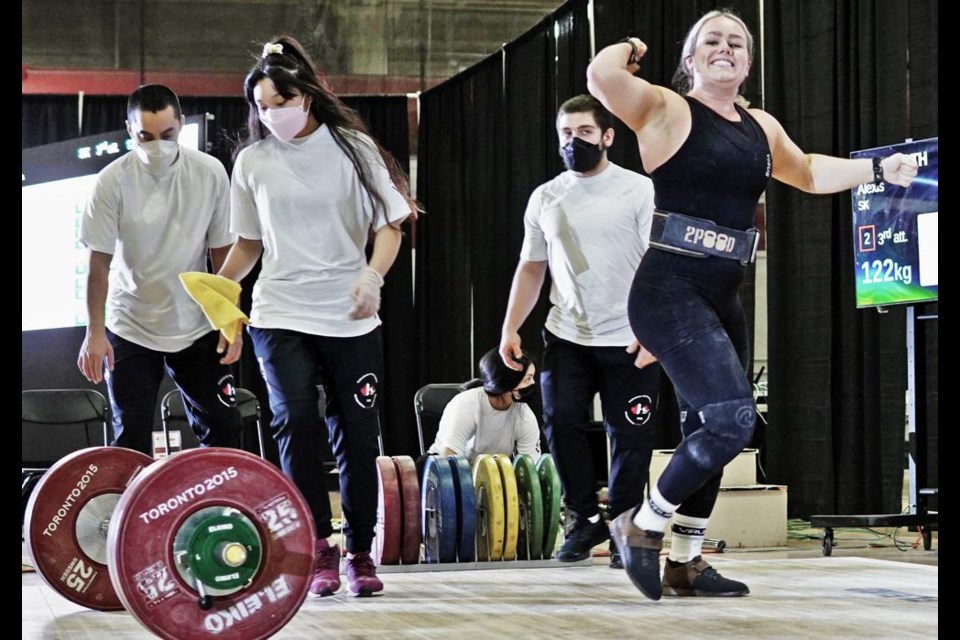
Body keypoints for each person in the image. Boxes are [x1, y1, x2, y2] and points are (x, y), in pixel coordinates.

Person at [587, 11, 918, 600]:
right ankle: (641, 524)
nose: (725, 48)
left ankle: (685, 561)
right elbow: (600, 74)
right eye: (710, 40)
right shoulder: (664, 108)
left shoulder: (760, 126)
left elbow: (811, 173)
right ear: (689, 59)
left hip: (722, 294)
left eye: (737, 42)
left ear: (748, 61)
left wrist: (878, 169)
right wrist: (632, 43)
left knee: (708, 427)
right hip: (668, 290)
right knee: (731, 420)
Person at [217, 36, 416, 598]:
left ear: (305, 96)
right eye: (261, 106)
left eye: (280, 101)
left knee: (357, 433)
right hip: (280, 311)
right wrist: (219, 292)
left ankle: (357, 550)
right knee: (296, 420)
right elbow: (248, 244)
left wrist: (372, 276)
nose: (271, 114)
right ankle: (317, 547)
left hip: (350, 313)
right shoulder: (252, 161)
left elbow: (390, 227)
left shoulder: (354, 148)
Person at [499, 95, 660, 569]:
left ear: (607, 137)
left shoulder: (638, 191)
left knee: (629, 436)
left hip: (631, 337)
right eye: (566, 134)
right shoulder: (546, 196)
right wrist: (511, 327)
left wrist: (654, 329)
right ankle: (584, 518)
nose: (575, 142)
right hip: (567, 333)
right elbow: (531, 268)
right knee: (561, 420)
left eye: (585, 133)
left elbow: (659, 265)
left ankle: (626, 529)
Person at [77, 84, 242, 456]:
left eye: (167, 135)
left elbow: (223, 256)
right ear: (129, 130)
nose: (157, 145)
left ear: (181, 125)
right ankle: (128, 515)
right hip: (130, 322)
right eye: (145, 137)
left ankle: (214, 508)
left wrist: (230, 322)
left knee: (224, 425)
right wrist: (94, 332)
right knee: (131, 436)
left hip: (195, 322)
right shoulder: (110, 181)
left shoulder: (209, 172)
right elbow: (97, 265)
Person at [426, 347, 540, 464]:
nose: (533, 384)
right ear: (508, 381)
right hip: (442, 469)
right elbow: (449, 458)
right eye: (528, 379)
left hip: (489, 474)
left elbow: (530, 466)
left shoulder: (524, 415)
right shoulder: (467, 404)